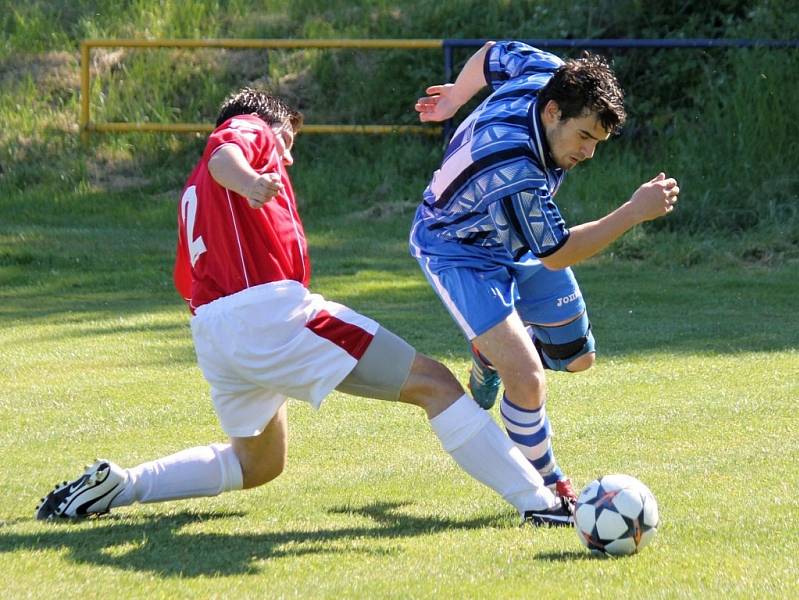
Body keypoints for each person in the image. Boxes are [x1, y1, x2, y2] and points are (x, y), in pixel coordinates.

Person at [36, 88, 574, 527]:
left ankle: (122, 485)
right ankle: (541, 502)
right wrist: (251, 179)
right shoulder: (251, 129)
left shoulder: (192, 192)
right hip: (269, 313)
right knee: (435, 384)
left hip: (213, 332)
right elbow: (228, 151)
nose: (288, 156)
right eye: (288, 140)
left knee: (258, 464)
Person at [410, 41, 680, 502]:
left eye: (597, 141)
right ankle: (549, 486)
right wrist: (633, 212)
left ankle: (489, 352)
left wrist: (456, 96)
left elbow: (495, 52)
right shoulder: (513, 164)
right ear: (553, 112)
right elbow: (556, 252)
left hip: (514, 239)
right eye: (584, 138)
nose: (589, 153)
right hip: (457, 251)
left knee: (578, 358)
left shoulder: (550, 74)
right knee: (528, 378)